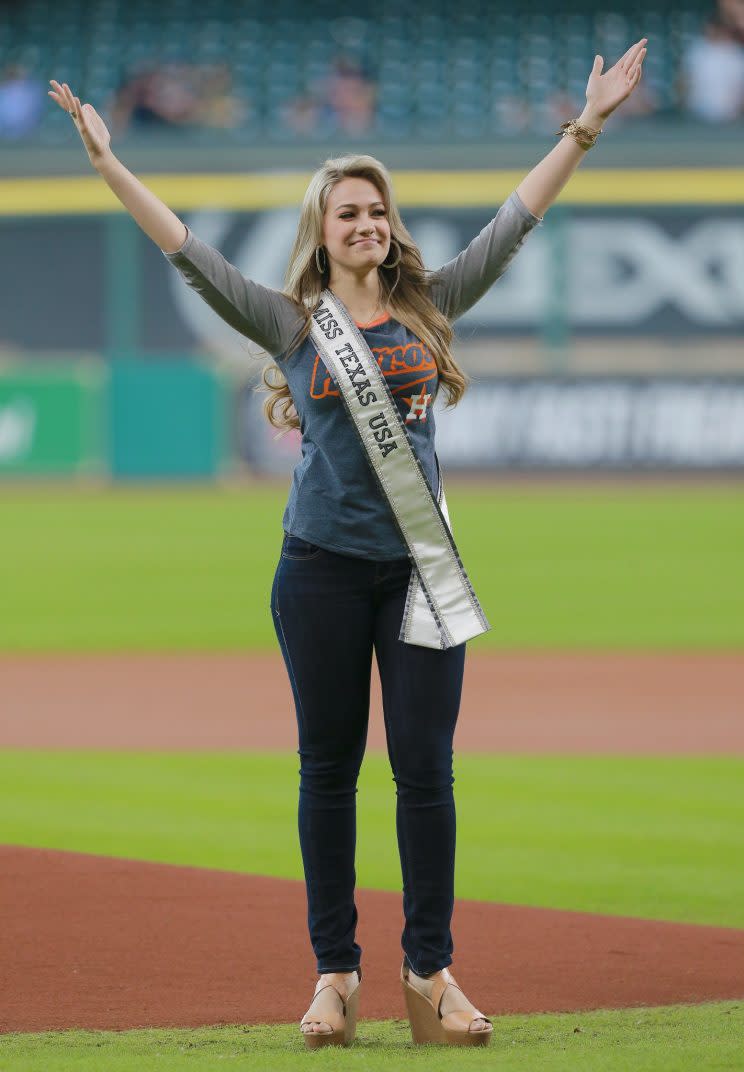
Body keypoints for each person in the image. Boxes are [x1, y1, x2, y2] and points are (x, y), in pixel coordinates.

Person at [48, 38, 646, 1048]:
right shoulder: (289, 321)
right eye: (349, 213)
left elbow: (518, 218)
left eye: (378, 211)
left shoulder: (432, 301)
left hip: (422, 573)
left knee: (427, 772)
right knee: (326, 771)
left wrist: (585, 125)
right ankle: (335, 977)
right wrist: (110, 163)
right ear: (322, 234)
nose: (368, 223)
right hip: (319, 572)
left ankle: (431, 973)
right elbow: (189, 252)